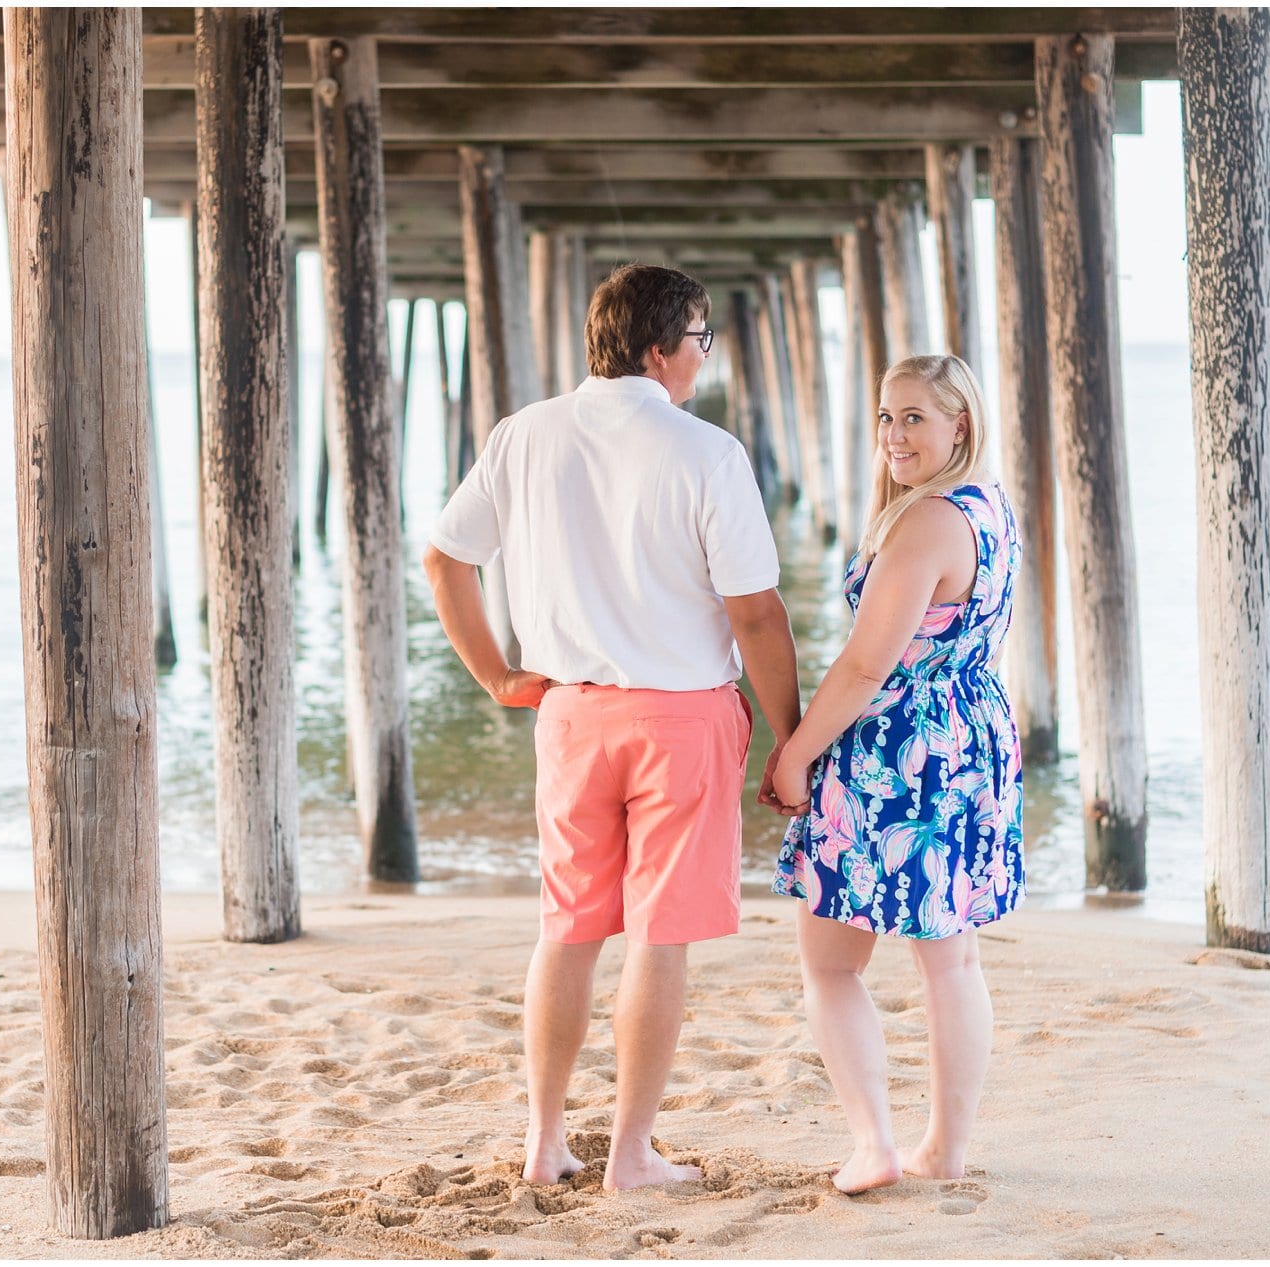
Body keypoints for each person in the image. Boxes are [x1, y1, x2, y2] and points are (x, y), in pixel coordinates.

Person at [423, 264, 802, 1193]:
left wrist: (498, 677)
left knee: (568, 929)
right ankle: (631, 1153)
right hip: (680, 719)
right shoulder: (707, 452)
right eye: (701, 341)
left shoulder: (523, 435)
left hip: (570, 715)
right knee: (657, 936)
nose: (704, 360)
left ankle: (545, 1141)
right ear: (660, 349)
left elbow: (443, 559)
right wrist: (793, 736)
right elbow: (755, 613)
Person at [767, 353, 1024, 1196]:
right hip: (969, 739)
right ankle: (943, 1150)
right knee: (952, 962)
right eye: (885, 416)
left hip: (900, 754)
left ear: (960, 423)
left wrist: (796, 750)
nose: (893, 435)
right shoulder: (992, 508)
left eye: (914, 417)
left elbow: (866, 668)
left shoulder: (924, 525)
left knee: (831, 961)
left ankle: (875, 1143)